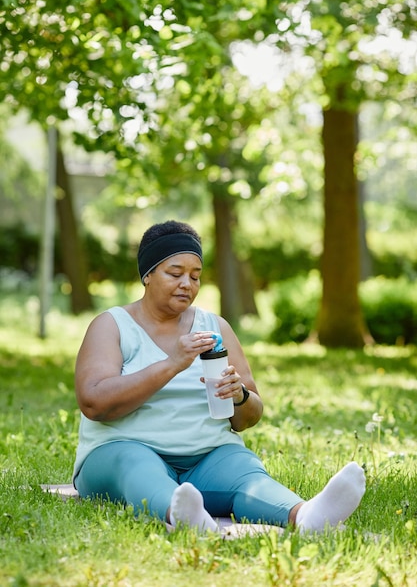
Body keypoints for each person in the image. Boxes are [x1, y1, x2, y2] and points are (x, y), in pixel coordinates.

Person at [73, 219, 366, 533]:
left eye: (195, 276)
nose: (187, 283)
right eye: (175, 273)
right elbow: (94, 402)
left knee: (245, 472)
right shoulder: (112, 325)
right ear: (147, 274)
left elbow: (249, 416)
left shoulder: (215, 327)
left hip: (207, 455)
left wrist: (239, 396)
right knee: (137, 468)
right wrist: (172, 364)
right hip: (123, 449)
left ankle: (306, 516)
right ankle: (183, 516)